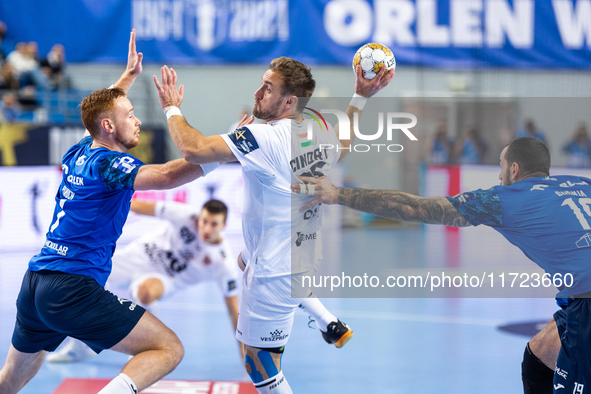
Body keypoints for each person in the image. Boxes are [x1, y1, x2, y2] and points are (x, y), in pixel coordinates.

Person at [152, 58, 394, 393]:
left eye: (268, 88)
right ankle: (329, 323)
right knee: (243, 258)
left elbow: (193, 149)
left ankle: (323, 327)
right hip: (300, 254)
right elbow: (342, 146)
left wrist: (171, 108)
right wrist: (360, 97)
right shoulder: (314, 129)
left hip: (273, 272)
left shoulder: (264, 137)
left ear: (289, 101)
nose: (258, 92)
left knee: (259, 362)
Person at [0, 30, 216, 394]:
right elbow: (164, 176)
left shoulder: (81, 150)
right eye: (130, 115)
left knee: (8, 382)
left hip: (36, 283)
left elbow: (101, 115)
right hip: (72, 287)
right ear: (109, 127)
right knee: (167, 348)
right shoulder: (111, 164)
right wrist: (226, 154)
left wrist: (128, 77)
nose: (138, 121)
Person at [293, 136, 591, 394]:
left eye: (501, 167)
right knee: (539, 356)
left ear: (514, 169)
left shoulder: (507, 198)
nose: (499, 176)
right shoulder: (583, 184)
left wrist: (337, 194)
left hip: (586, 303)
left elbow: (417, 207)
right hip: (580, 297)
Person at [47, 199, 244, 363]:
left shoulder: (222, 262)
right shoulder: (185, 215)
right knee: (85, 275)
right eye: (204, 221)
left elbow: (233, 310)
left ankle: (143, 349)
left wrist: (245, 352)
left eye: (214, 224)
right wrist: (102, 202)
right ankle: (82, 345)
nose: (206, 228)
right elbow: (139, 206)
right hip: (135, 257)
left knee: (146, 293)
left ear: (224, 226)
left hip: (163, 278)